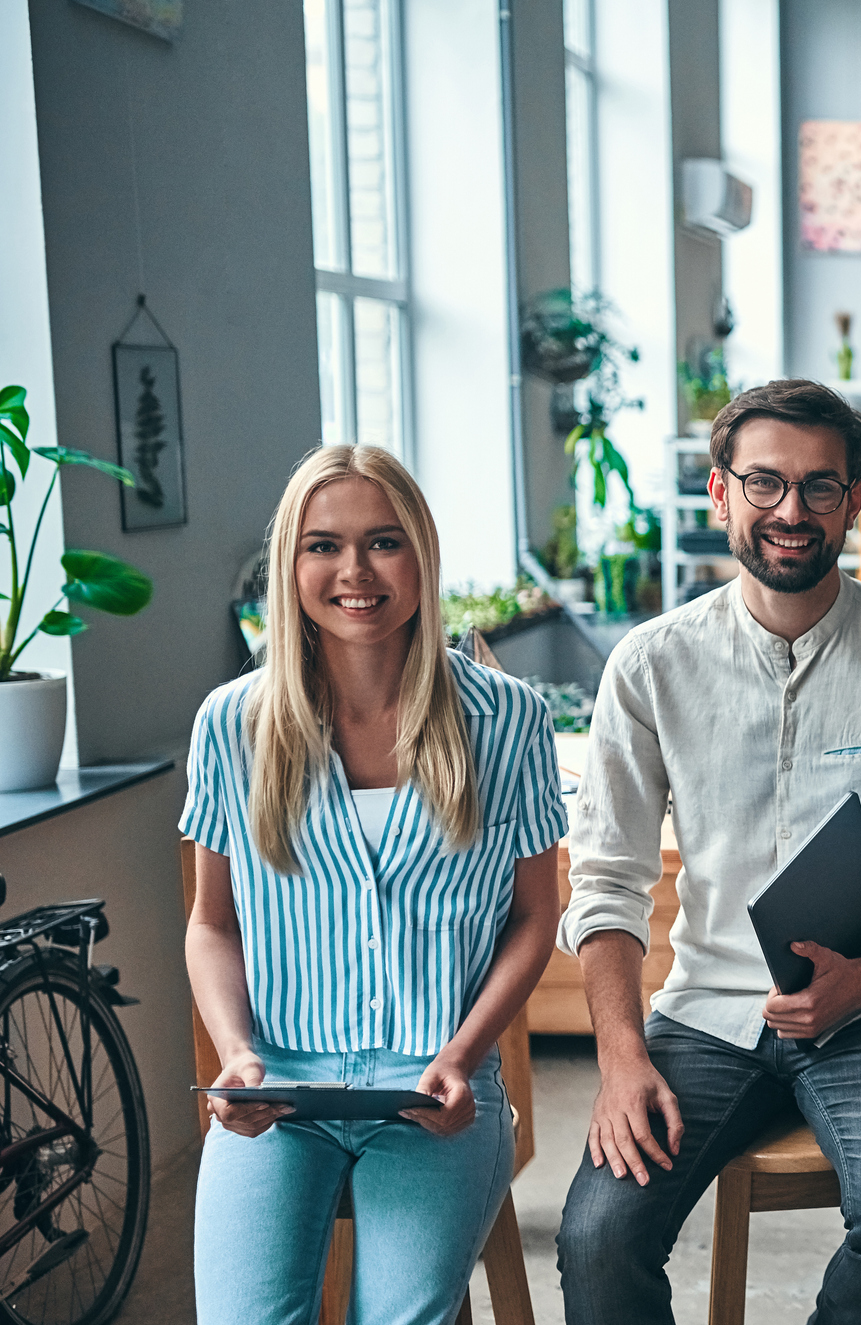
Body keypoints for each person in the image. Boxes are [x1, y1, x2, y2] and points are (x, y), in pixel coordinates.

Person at [554, 379, 861, 1324]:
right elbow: (606, 883)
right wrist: (621, 1054)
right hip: (702, 1016)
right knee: (595, 1239)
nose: (791, 511)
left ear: (854, 499)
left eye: (819, 487)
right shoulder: (652, 662)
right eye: (763, 483)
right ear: (719, 492)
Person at [182, 444, 567, 1323]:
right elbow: (214, 923)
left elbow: (535, 915)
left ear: (422, 555)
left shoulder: (507, 722)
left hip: (438, 1095)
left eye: (382, 541)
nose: (354, 571)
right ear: (291, 564)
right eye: (323, 544)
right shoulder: (232, 724)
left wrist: (464, 1057)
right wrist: (237, 1052)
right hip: (277, 1089)